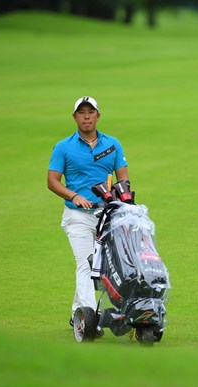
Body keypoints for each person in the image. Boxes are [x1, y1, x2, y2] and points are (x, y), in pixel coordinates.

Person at [47, 96, 129, 327]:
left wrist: (119, 200)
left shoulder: (112, 144)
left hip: (107, 216)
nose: (86, 116)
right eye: (81, 112)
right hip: (78, 216)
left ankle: (78, 314)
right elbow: (53, 181)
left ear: (98, 116)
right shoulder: (63, 147)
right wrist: (74, 196)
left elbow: (123, 179)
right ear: (74, 117)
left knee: (110, 267)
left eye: (90, 112)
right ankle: (90, 320)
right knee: (86, 264)